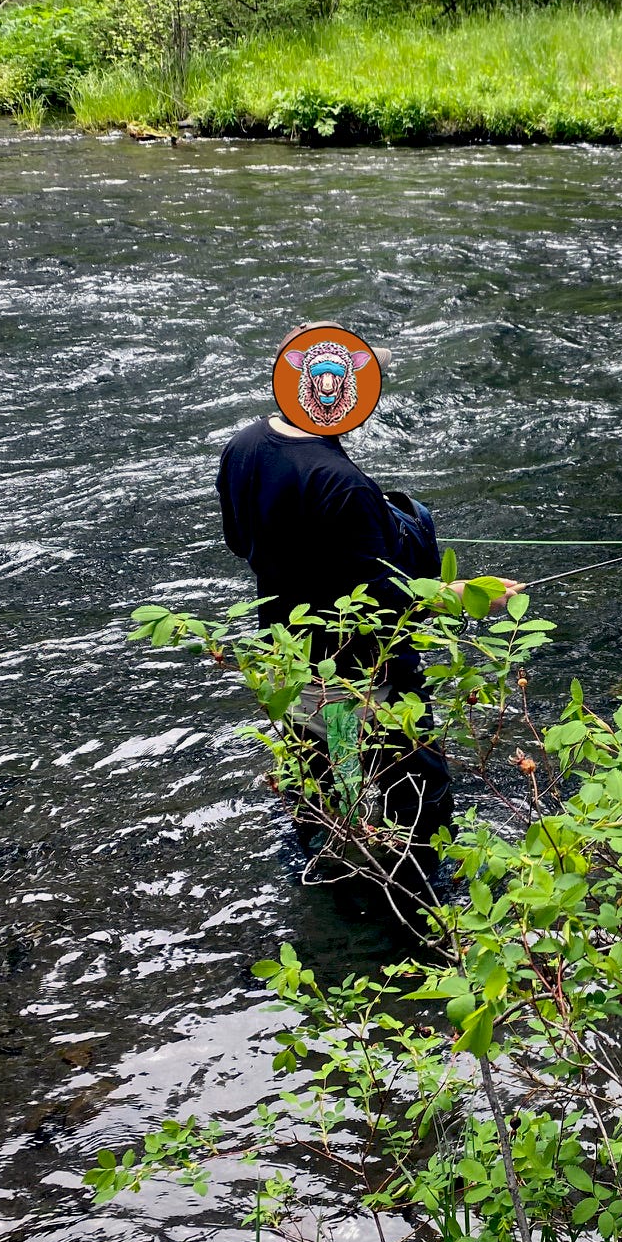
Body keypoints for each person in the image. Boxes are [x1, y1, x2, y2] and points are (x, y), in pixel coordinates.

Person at [216, 322, 453, 896]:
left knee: (317, 786)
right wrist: (468, 592)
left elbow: (238, 541)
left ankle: (326, 882)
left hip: (288, 659)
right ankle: (419, 908)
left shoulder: (243, 445)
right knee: (421, 799)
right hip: (364, 676)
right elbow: (388, 606)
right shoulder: (344, 485)